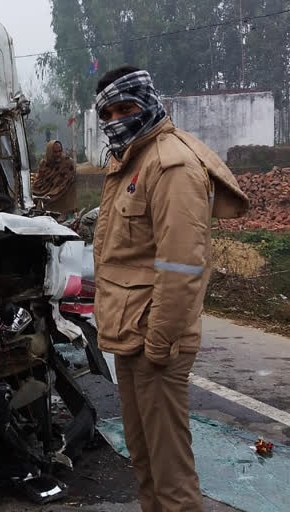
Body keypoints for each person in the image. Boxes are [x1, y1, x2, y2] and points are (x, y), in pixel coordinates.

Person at [91, 66, 249, 512]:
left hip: (156, 341)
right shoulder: (130, 159)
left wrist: (160, 342)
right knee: (143, 461)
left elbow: (181, 265)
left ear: (149, 103)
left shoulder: (170, 163)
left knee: (170, 473)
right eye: (110, 112)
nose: (118, 118)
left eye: (127, 108)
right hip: (129, 335)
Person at [30, 140, 77, 215]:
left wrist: (48, 196)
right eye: (55, 152)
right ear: (49, 152)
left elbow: (63, 185)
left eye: (60, 151)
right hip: (45, 205)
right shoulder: (44, 164)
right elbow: (38, 182)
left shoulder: (67, 163)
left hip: (63, 204)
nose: (58, 154)